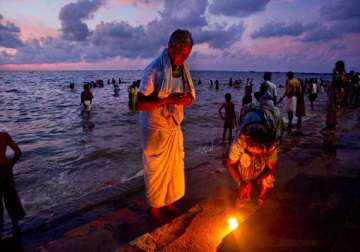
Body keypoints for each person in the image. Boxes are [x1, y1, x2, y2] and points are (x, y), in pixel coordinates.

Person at [136, 29, 196, 221]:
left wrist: (185, 100)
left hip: (173, 126)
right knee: (155, 169)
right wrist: (167, 99)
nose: (183, 59)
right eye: (181, 54)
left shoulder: (184, 70)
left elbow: (188, 95)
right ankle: (154, 206)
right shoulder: (154, 69)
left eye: (187, 55)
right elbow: (140, 104)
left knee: (174, 168)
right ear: (171, 48)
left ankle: (170, 202)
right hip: (155, 128)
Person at [227, 103, 283, 207]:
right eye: (251, 151)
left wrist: (258, 180)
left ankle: (263, 195)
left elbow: (271, 168)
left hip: (269, 121)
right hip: (250, 118)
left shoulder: (272, 143)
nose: (254, 155)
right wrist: (242, 182)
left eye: (257, 152)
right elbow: (231, 164)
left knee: (268, 173)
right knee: (245, 161)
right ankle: (245, 191)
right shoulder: (240, 140)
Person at [0, 131, 25, 239]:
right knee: (11, 199)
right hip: (5, 171)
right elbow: (18, 152)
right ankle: (16, 225)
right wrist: (10, 165)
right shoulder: (4, 136)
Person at [325, 60, 349, 130]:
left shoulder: (340, 75)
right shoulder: (344, 75)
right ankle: (332, 123)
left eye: (335, 65)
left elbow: (334, 83)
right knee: (334, 109)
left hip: (335, 93)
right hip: (339, 93)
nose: (334, 67)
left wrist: (333, 74)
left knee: (332, 109)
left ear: (338, 67)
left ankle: (331, 124)